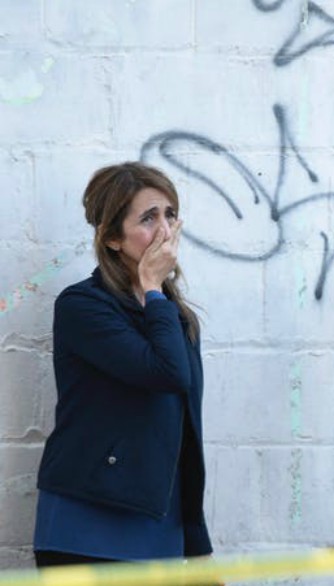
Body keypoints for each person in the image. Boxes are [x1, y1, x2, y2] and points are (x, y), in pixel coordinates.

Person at [33, 162, 212, 566]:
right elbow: (166, 373)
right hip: (85, 525)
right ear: (113, 237)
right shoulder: (82, 306)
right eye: (148, 219)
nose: (165, 231)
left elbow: (187, 431)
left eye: (170, 214)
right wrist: (152, 287)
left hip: (159, 526)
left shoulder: (176, 317)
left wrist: (197, 543)